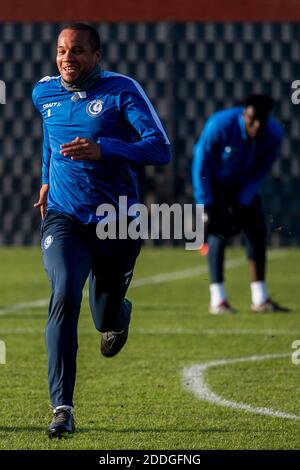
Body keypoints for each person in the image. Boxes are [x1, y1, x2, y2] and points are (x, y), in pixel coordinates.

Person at [32, 23, 171, 438]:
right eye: (61, 50)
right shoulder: (44, 92)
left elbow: (159, 147)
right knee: (64, 293)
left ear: (97, 56)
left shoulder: (122, 90)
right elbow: (49, 139)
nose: (67, 58)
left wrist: (105, 148)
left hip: (116, 219)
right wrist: (45, 178)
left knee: (103, 314)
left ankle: (118, 316)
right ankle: (62, 408)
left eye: (76, 51)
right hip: (64, 216)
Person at [192, 95, 289, 315]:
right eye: (252, 120)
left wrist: (244, 202)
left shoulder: (273, 134)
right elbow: (201, 162)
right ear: (244, 114)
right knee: (218, 232)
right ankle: (218, 301)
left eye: (261, 121)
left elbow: (261, 171)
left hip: (244, 186)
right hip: (216, 186)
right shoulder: (220, 125)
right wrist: (204, 203)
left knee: (257, 232)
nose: (256, 126)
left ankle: (260, 299)